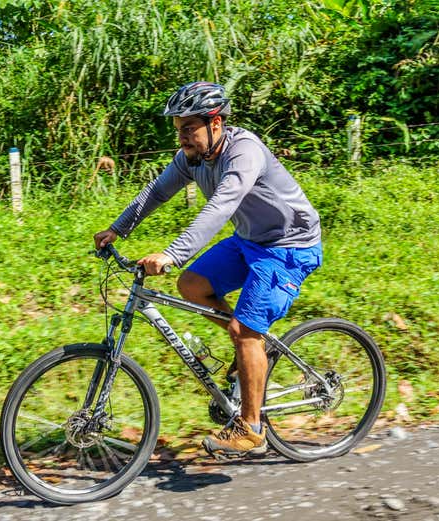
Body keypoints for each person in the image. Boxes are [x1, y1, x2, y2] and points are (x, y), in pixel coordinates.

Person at [93, 81, 322, 458]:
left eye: (189, 128)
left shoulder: (244, 153)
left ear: (216, 124)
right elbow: (156, 192)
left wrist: (171, 253)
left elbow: (221, 207)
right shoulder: (193, 158)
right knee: (193, 285)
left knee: (244, 332)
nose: (182, 136)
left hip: (289, 246)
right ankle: (248, 349)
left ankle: (251, 430)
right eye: (178, 128)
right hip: (251, 240)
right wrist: (118, 228)